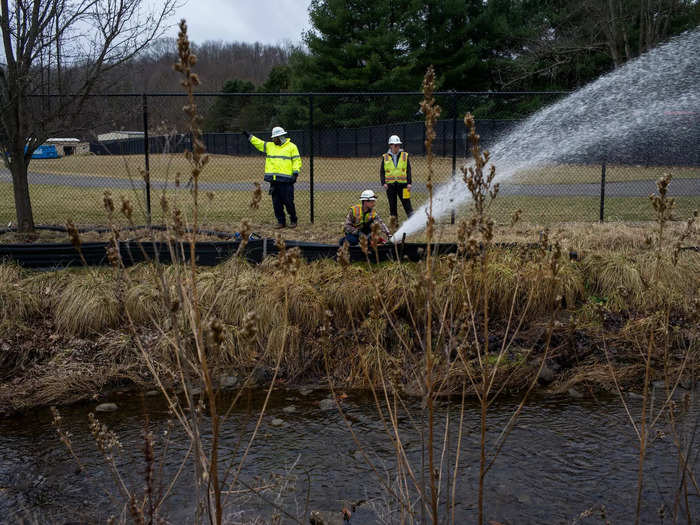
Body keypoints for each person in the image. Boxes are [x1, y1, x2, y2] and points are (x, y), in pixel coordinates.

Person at [243, 126, 301, 229]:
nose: (273, 139)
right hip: (274, 181)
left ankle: (293, 220)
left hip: (287, 181)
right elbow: (258, 143)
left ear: (280, 137)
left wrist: (295, 173)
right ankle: (281, 222)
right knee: (276, 203)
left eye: (275, 137)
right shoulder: (270, 146)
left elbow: (297, 161)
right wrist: (249, 136)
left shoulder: (292, 147)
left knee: (288, 202)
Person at [380, 134, 413, 220]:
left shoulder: (404, 155)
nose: (397, 147)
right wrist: (383, 183)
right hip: (390, 186)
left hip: (404, 185)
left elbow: (408, 170)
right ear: (390, 145)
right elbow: (382, 171)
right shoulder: (385, 157)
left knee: (407, 204)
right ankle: (394, 224)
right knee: (392, 206)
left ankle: (412, 221)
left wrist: (409, 183)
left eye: (398, 145)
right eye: (395, 145)